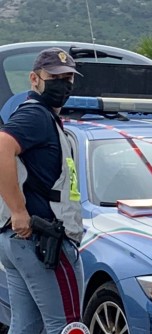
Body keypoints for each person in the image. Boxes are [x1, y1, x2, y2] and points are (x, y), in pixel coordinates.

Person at [0, 48, 84, 334]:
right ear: (34, 79)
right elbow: (2, 146)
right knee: (68, 326)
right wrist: (18, 210)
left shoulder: (43, 116)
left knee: (25, 327)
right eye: (56, 77)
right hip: (41, 239)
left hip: (20, 242)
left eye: (69, 77)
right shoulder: (36, 115)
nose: (64, 84)